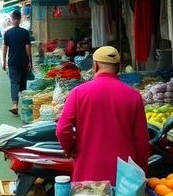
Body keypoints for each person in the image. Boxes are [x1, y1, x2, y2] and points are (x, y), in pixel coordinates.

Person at [55, 46, 149, 184]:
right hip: (124, 175)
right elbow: (142, 141)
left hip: (88, 169)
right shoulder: (134, 96)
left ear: (95, 65)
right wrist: (141, 171)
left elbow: (62, 129)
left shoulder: (78, 93)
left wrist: (71, 149)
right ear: (119, 67)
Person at [1, 9, 32, 115]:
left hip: (12, 62)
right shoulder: (25, 32)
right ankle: (25, 105)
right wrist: (30, 61)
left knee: (14, 83)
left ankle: (15, 105)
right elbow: (28, 47)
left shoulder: (8, 33)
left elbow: (5, 48)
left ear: (12, 19)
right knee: (23, 84)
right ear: (20, 19)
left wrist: (4, 61)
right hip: (23, 61)